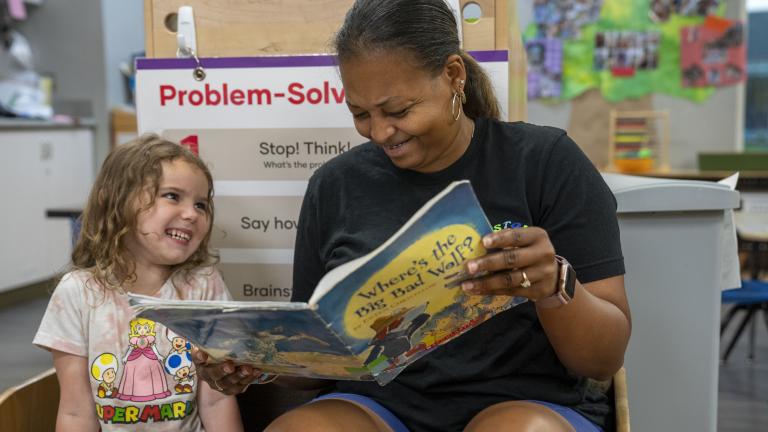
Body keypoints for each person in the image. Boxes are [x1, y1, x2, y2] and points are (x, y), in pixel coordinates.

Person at [195, 0, 631, 431]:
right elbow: (316, 355)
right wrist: (256, 361)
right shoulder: (335, 185)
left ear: (453, 75)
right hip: (376, 406)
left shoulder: (546, 162)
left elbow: (602, 360)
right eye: (360, 114)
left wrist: (554, 285)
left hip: (526, 402)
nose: (381, 132)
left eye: (399, 111)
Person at [33, 135, 243, 431]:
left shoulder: (205, 285)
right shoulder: (76, 292)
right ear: (118, 201)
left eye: (201, 204)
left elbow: (216, 401)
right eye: (172, 196)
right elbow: (76, 413)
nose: (191, 214)